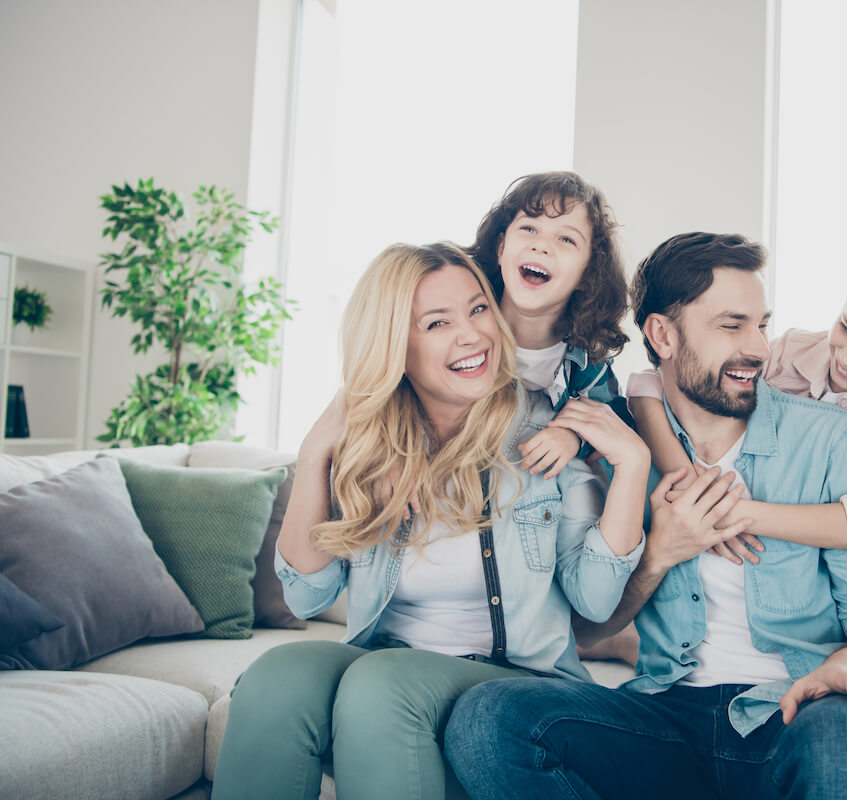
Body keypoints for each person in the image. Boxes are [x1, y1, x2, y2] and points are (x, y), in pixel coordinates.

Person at [443, 232, 847, 800]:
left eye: (762, 325)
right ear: (662, 335)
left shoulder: (835, 441)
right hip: (663, 716)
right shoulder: (617, 447)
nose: (760, 349)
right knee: (488, 718)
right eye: (731, 326)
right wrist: (659, 552)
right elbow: (588, 627)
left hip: (795, 708)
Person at [211, 243, 650, 800]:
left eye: (479, 309)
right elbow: (306, 596)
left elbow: (595, 600)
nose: (471, 334)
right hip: (387, 665)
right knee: (275, 677)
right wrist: (316, 449)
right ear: (397, 345)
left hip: (517, 679)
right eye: (437, 323)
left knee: (382, 682)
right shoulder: (374, 449)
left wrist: (631, 468)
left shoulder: (544, 432)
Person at [628, 249, 847, 565]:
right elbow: (652, 381)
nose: (846, 358)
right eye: (845, 328)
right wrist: (686, 480)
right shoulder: (796, 350)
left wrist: (724, 512)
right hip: (778, 548)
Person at [470, 170, 633, 479]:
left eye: (566, 239)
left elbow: (619, 420)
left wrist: (575, 436)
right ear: (501, 248)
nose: (542, 246)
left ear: (588, 274)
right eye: (529, 228)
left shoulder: (587, 366)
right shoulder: (463, 335)